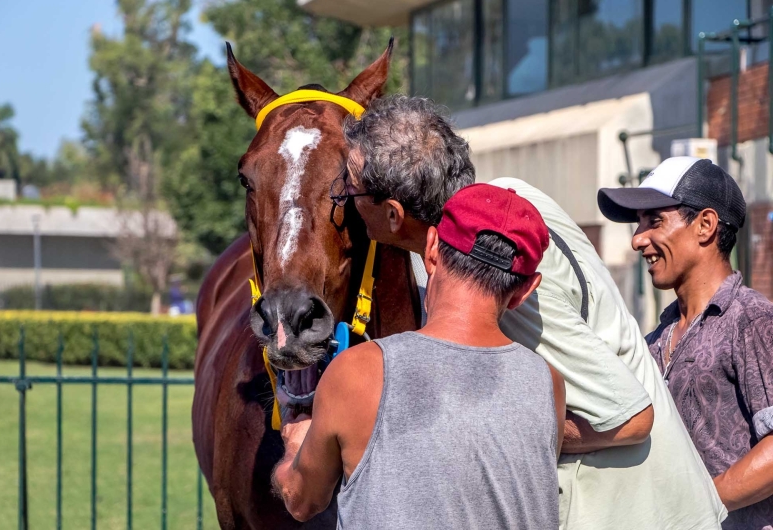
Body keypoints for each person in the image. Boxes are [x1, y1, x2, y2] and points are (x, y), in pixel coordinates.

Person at [341, 95, 726, 529]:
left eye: (350, 189)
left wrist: (517, 436)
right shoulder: (507, 200)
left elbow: (632, 417)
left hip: (641, 513)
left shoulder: (489, 259)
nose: (343, 199)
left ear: (393, 214)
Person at [273, 184, 567, 528]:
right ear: (526, 289)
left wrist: (295, 445)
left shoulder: (358, 372)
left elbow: (302, 500)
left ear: (431, 250)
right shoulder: (548, 383)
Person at [599, 156, 773, 529]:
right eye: (638, 224)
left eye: (654, 220)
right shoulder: (651, 341)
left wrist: (696, 506)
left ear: (705, 225)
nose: (637, 239)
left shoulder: (753, 320)